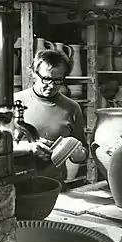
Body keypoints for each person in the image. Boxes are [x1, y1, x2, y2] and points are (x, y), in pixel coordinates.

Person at [13, 49, 88, 181]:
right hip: (18, 183)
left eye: (58, 80)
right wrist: (29, 148)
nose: (52, 85)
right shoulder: (15, 102)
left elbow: (83, 151)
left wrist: (78, 154)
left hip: (55, 184)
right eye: (46, 79)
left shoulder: (72, 108)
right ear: (34, 74)